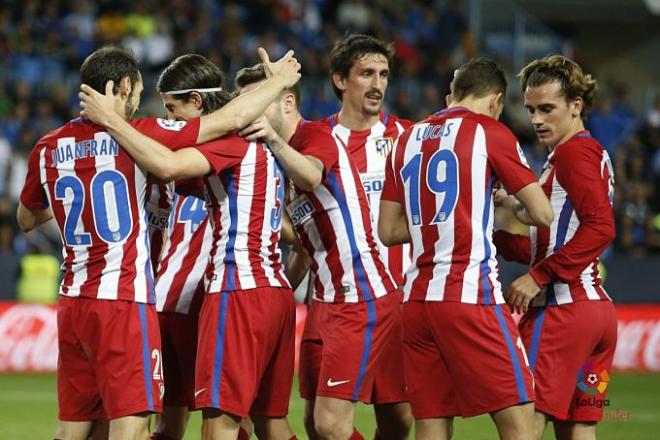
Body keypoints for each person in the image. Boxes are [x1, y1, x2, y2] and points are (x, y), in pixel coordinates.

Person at [77, 49, 301, 440]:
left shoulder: (228, 141)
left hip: (237, 288)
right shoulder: (259, 144)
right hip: (274, 292)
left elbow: (166, 166)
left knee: (218, 429)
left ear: (196, 100)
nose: (169, 119)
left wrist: (111, 120)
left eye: (172, 108)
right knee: (272, 425)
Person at [378, 57, 554, 440]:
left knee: (432, 423)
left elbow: (389, 231)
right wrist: (503, 203)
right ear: (495, 100)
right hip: (468, 295)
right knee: (522, 420)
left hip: (417, 302)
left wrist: (439, 223)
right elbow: (542, 213)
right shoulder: (489, 131)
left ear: (453, 94)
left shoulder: (405, 138)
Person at [239, 49, 403, 440]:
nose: (249, 116)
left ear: (288, 101)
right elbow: (306, 246)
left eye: (259, 104)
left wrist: (273, 141)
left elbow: (312, 175)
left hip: (360, 295)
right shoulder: (280, 163)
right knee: (315, 424)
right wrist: (280, 295)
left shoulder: (317, 136)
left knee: (334, 425)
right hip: (324, 301)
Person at [494, 54, 618, 440]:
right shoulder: (585, 153)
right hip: (596, 317)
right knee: (578, 428)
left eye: (547, 109)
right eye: (530, 109)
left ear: (575, 106)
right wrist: (489, 239)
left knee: (522, 426)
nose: (536, 119)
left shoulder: (572, 154)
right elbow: (551, 241)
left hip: (562, 314)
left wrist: (538, 276)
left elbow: (601, 227)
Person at [310, 33, 412, 440]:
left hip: (397, 298)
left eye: (384, 74)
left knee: (398, 420)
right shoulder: (316, 140)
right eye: (366, 73)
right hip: (333, 298)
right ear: (340, 80)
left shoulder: (408, 139)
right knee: (319, 422)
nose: (378, 84)